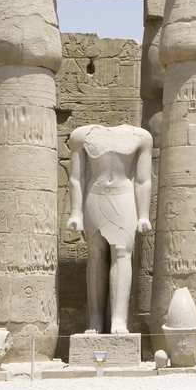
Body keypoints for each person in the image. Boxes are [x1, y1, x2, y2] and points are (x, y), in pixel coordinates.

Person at [66, 124, 153, 333]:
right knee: (96, 254)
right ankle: (95, 318)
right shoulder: (80, 136)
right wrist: (75, 213)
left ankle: (119, 318)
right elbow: (77, 178)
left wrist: (143, 214)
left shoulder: (141, 137)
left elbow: (143, 181)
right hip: (95, 195)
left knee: (122, 254)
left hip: (124, 197)